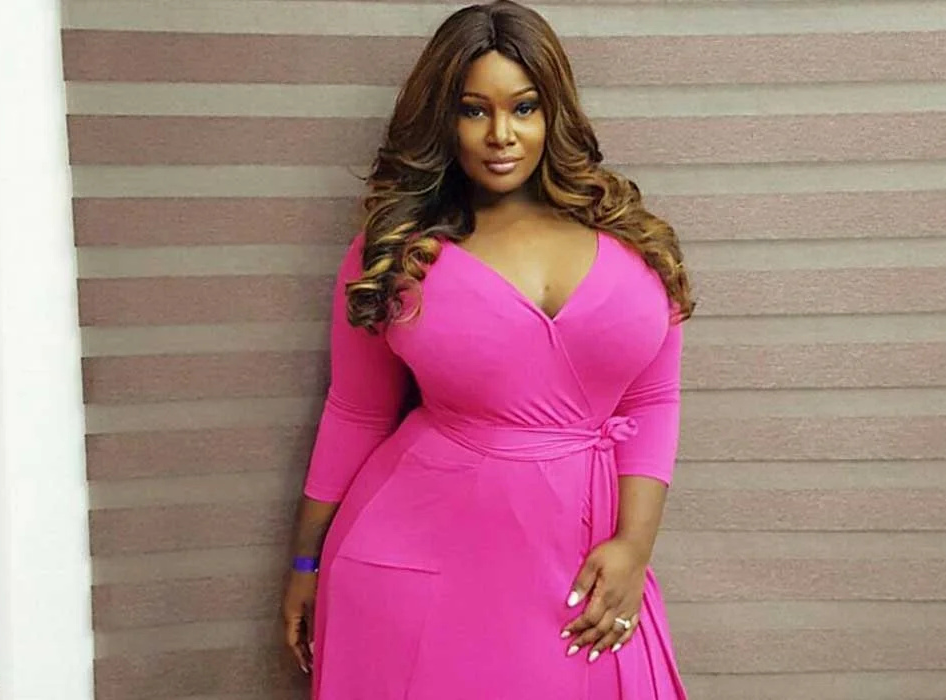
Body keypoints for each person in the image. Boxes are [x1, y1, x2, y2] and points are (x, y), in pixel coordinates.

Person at [279, 2, 694, 698]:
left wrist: (635, 545)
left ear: (553, 111)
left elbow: (654, 400)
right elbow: (355, 412)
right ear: (444, 120)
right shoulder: (397, 254)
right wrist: (304, 563)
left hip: (582, 566)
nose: (501, 135)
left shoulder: (635, 241)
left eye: (523, 107)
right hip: (412, 563)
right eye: (474, 110)